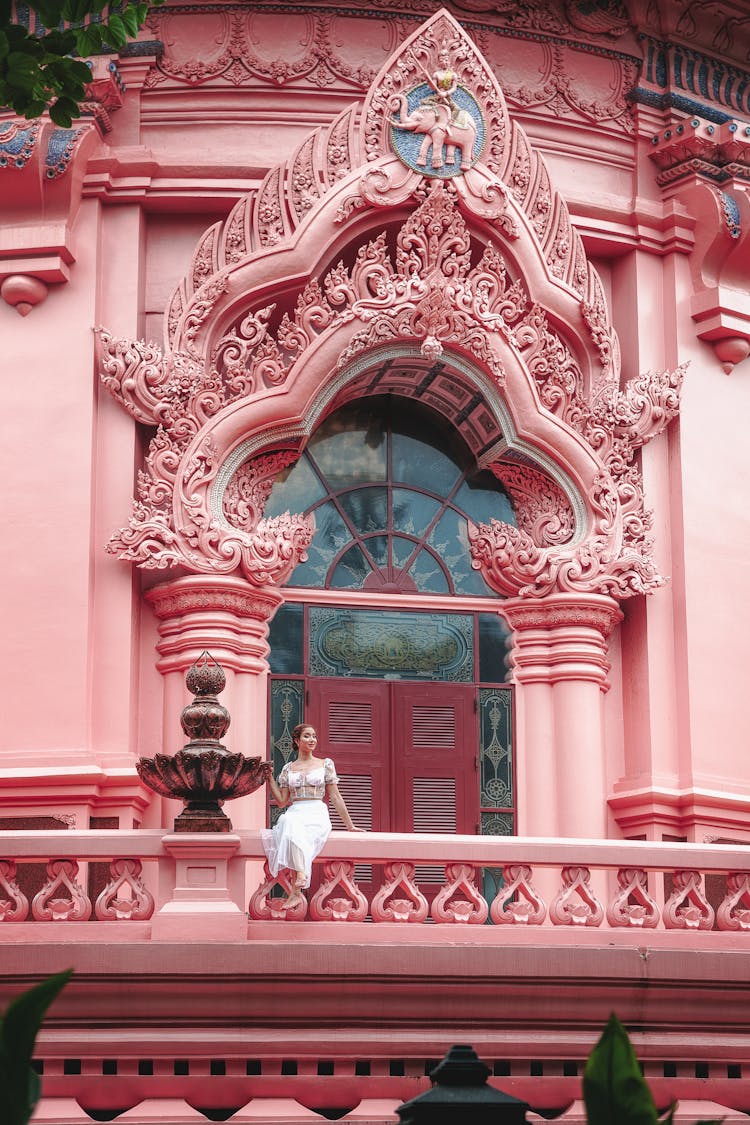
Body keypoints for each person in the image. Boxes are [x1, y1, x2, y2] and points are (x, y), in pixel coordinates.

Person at [262, 724, 364, 908]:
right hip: (296, 811)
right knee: (286, 820)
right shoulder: (287, 769)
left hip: (316, 812)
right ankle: (298, 882)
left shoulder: (324, 764)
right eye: (307, 736)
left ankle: (296, 888)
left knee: (290, 826)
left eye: (314, 736)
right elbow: (282, 802)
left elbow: (334, 796)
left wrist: (349, 825)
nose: (312, 740)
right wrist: (270, 779)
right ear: (297, 740)